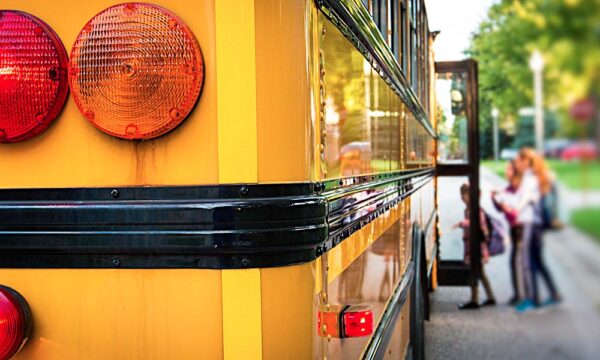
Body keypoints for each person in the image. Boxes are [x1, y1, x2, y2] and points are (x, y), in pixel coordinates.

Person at [513, 148, 561, 312]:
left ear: (526, 161)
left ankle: (532, 299)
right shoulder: (534, 176)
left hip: (531, 223)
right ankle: (554, 294)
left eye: (518, 160)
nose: (516, 164)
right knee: (538, 260)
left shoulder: (531, 177)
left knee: (528, 261)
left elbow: (526, 199)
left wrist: (515, 209)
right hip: (536, 224)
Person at [454, 183, 496, 310]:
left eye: (465, 194)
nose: (462, 197)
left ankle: (475, 299)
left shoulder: (475, 210)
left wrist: (463, 223)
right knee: (481, 273)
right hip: (472, 245)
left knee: (475, 271)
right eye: (461, 194)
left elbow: (479, 226)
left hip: (476, 247)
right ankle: (490, 297)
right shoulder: (469, 209)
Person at [491, 160, 523, 305]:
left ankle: (521, 295)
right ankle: (519, 294)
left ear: (515, 172)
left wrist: (504, 205)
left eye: (509, 169)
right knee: (519, 262)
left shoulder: (518, 189)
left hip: (522, 229)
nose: (506, 172)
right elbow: (500, 209)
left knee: (521, 262)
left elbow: (514, 213)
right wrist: (495, 200)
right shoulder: (510, 189)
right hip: (515, 229)